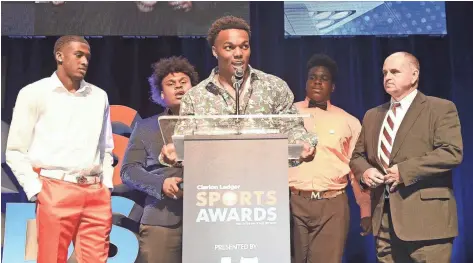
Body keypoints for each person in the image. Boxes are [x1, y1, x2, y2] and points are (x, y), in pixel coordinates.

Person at [6, 35, 114, 263]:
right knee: (51, 258)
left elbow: (106, 148)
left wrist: (107, 186)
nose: (85, 61)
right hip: (55, 189)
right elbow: (15, 150)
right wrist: (36, 190)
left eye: (87, 56)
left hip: (95, 192)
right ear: (59, 56)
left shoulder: (99, 96)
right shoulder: (34, 93)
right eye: (78, 55)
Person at [350, 52, 463, 263]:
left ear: (414, 75)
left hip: (427, 222)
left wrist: (404, 171)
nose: (387, 77)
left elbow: (451, 152)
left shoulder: (440, 108)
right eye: (384, 72)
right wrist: (365, 171)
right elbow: (357, 156)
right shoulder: (372, 115)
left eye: (394, 71)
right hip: (384, 220)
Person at [161, 15, 317, 165]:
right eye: (229, 47)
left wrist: (301, 144)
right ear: (215, 51)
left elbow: (292, 127)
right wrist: (173, 152)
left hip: (265, 181)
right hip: (213, 184)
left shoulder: (274, 87)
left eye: (244, 46)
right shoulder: (196, 96)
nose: (238, 54)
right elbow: (183, 143)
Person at [289, 54, 372, 263]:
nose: (317, 81)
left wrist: (365, 209)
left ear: (332, 86)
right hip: (291, 201)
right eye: (312, 77)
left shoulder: (349, 121)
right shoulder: (286, 115)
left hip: (332, 205)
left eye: (323, 78)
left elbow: (357, 170)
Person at [120, 56, 199, 263]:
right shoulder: (146, 127)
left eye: (184, 82)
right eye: (171, 84)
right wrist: (160, 184)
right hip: (161, 219)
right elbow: (128, 171)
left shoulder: (211, 124)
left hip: (209, 217)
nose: (179, 88)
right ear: (161, 94)